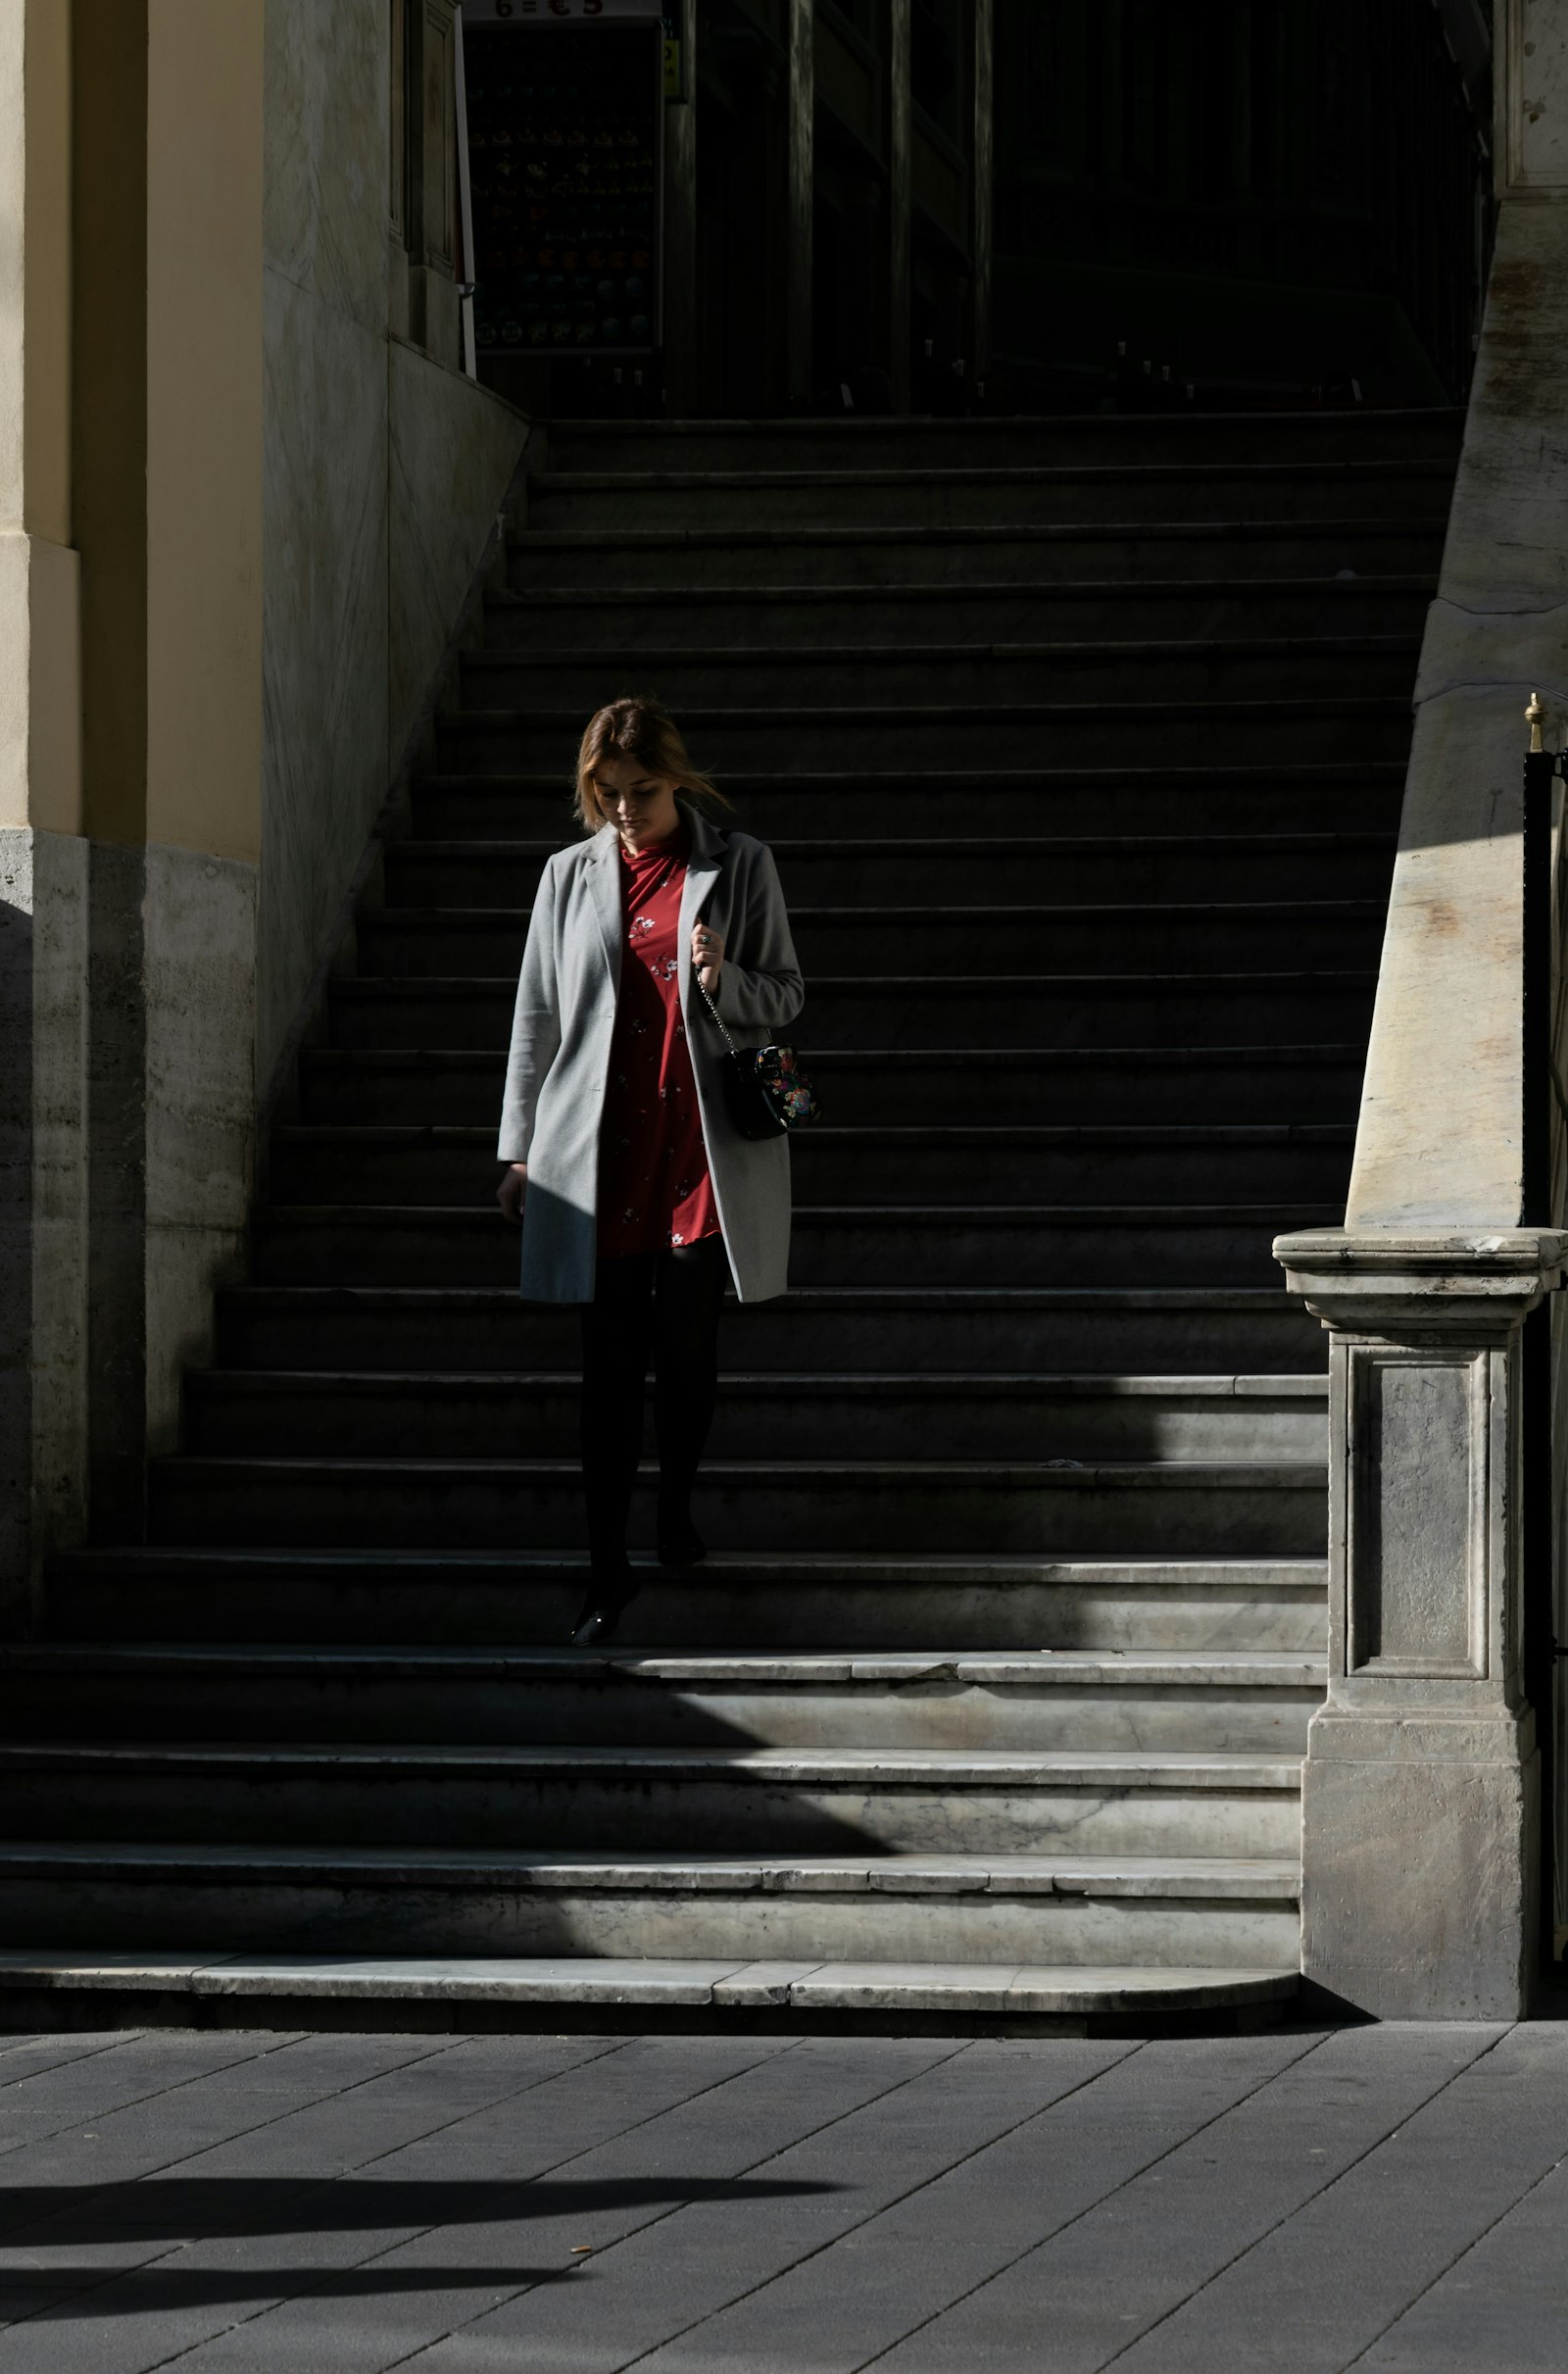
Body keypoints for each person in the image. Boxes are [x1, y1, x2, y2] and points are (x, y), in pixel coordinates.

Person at [496, 696, 804, 1645]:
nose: (623, 808)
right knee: (606, 1370)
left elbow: (786, 995)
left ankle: (672, 1503)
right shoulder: (567, 877)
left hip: (697, 1152)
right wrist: (516, 1149)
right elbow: (536, 1015)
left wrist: (720, 980)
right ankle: (604, 1569)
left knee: (685, 1353)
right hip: (599, 1154)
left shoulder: (738, 864)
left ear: (676, 777)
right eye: (606, 792)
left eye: (639, 790)